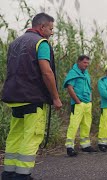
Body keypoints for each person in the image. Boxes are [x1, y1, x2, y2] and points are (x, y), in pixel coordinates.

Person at [1, 13, 62, 180]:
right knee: (32, 136)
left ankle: (8, 173)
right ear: (41, 27)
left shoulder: (15, 43)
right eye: (50, 28)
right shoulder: (40, 43)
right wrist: (55, 98)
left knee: (15, 135)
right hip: (33, 98)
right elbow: (46, 72)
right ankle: (22, 176)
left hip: (15, 98)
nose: (51, 32)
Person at [63, 55, 96, 157]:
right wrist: (77, 101)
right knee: (74, 125)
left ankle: (85, 145)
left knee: (86, 124)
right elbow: (70, 87)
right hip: (78, 104)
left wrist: (90, 101)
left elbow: (89, 88)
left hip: (87, 103)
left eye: (87, 63)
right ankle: (69, 147)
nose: (87, 65)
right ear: (79, 62)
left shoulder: (86, 74)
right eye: (85, 63)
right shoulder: (73, 73)